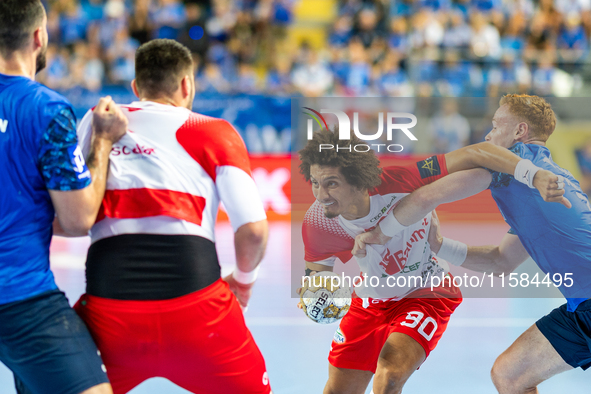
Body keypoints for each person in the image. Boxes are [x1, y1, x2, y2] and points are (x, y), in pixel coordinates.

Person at [298, 125, 563, 394]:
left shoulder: (402, 180)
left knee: (389, 376)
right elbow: (319, 278)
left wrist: (532, 174)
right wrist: (316, 296)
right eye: (315, 183)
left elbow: (477, 152)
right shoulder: (318, 223)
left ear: (357, 180)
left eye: (331, 183)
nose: (321, 195)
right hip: (369, 301)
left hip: (427, 291)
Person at [72, 39, 271, 394]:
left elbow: (70, 203)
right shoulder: (213, 130)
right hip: (198, 309)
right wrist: (243, 280)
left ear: (135, 88)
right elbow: (253, 231)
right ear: (186, 85)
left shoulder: (97, 117)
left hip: (110, 309)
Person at [354, 94, 587, 394]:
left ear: (519, 132)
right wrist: (439, 245)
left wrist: (379, 233)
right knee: (510, 375)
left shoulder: (508, 167)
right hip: (580, 309)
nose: (488, 135)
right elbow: (500, 261)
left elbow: (427, 196)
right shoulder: (546, 183)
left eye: (495, 125)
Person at [0, 1, 128, 394]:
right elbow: (77, 219)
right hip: (20, 297)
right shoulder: (45, 109)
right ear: (39, 37)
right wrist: (103, 140)